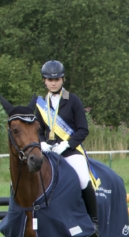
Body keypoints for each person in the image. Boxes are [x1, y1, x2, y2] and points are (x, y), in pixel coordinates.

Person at [35, 60, 98, 225]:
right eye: (50, 80)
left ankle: (94, 220)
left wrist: (67, 144)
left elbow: (83, 130)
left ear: (63, 80)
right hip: (48, 152)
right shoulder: (40, 104)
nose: (53, 83)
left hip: (70, 151)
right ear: (44, 81)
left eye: (57, 79)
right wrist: (42, 143)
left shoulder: (73, 100)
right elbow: (38, 131)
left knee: (84, 179)